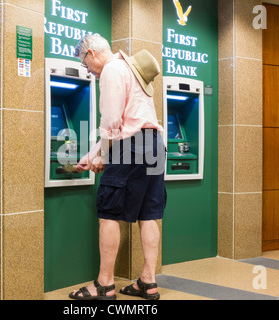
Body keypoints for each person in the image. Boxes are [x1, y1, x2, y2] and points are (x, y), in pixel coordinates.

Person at [69, 34, 166, 300]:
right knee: (148, 214)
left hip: (131, 146)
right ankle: (148, 281)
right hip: (155, 145)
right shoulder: (130, 66)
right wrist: (92, 154)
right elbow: (128, 118)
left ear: (90, 53)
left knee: (109, 212)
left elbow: (112, 122)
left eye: (85, 64)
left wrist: (104, 157)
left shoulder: (111, 69)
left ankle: (104, 284)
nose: (88, 71)